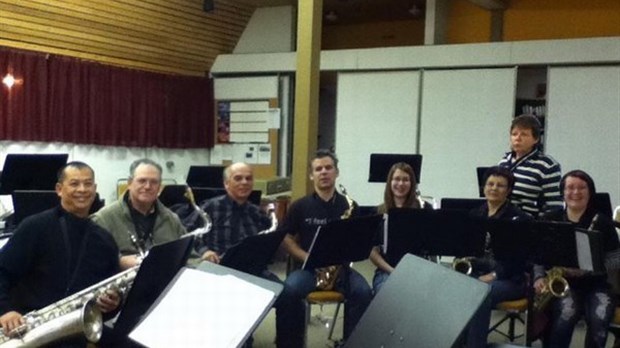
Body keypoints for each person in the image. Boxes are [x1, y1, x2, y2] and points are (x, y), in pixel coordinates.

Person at [0, 161, 121, 346]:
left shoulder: (105, 240)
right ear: (59, 189)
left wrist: (112, 304)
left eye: (88, 184)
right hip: (26, 332)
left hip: (75, 337)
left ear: (95, 189)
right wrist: (5, 310)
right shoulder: (35, 226)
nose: (82, 189)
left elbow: (109, 296)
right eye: (74, 183)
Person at [278, 149, 372, 347]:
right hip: (308, 269)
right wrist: (306, 257)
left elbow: (359, 239)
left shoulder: (350, 206)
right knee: (288, 291)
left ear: (336, 172)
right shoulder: (300, 206)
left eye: (328, 168)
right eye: (318, 169)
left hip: (340, 270)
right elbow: (285, 237)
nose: (324, 172)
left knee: (363, 292)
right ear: (312, 175)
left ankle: (351, 343)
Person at [196, 162, 289, 347]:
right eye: (238, 178)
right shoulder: (210, 207)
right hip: (220, 272)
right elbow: (192, 235)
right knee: (237, 302)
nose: (244, 182)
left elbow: (270, 244)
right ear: (226, 184)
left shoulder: (257, 212)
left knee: (289, 297)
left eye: (248, 178)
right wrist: (205, 251)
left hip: (251, 270)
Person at [534, 170, 619, 348]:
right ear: (562, 192)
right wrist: (539, 277)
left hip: (597, 284)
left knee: (600, 318)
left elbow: (615, 259)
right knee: (566, 314)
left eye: (582, 188)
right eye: (570, 187)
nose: (576, 192)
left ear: (590, 192)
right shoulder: (550, 219)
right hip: (563, 282)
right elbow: (537, 255)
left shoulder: (602, 222)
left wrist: (589, 269)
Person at [465, 166, 531, 347]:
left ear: (509, 191)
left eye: (500, 186)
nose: (494, 188)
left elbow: (519, 261)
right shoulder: (474, 214)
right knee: (451, 287)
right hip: (479, 273)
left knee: (480, 294)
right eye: (490, 184)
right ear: (484, 187)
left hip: (510, 280)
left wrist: (492, 276)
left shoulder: (518, 219)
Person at [92, 158, 191, 270]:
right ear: (129, 183)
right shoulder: (104, 219)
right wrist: (118, 261)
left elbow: (189, 256)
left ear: (160, 187)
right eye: (142, 181)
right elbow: (92, 261)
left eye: (154, 182)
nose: (148, 186)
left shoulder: (171, 219)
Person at [369, 162, 432, 294]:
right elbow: (372, 252)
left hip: (418, 272)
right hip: (387, 271)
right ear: (390, 182)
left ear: (412, 183)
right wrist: (392, 271)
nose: (401, 184)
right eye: (397, 179)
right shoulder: (379, 212)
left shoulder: (424, 209)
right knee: (388, 296)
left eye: (405, 180)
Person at [498, 114, 562, 217]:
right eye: (514, 134)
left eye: (524, 134)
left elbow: (554, 205)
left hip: (528, 223)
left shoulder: (547, 165)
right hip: (500, 219)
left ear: (536, 139)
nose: (517, 138)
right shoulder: (504, 162)